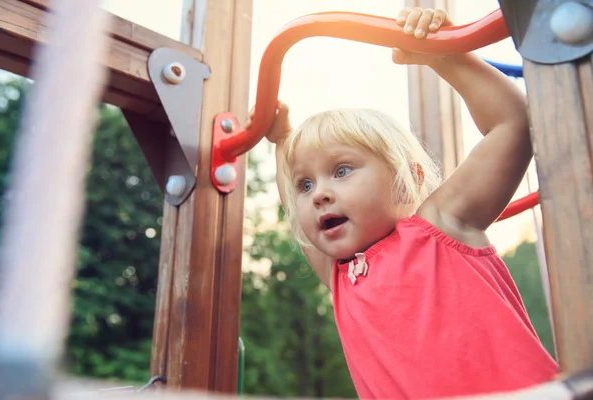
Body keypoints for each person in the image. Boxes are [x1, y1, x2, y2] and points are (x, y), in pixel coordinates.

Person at [245, 6, 588, 400]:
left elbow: (511, 124)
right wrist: (280, 140)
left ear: (409, 180)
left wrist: (443, 54)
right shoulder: (341, 277)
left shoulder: (439, 226)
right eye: (307, 184)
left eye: (341, 171)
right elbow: (292, 201)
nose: (318, 193)